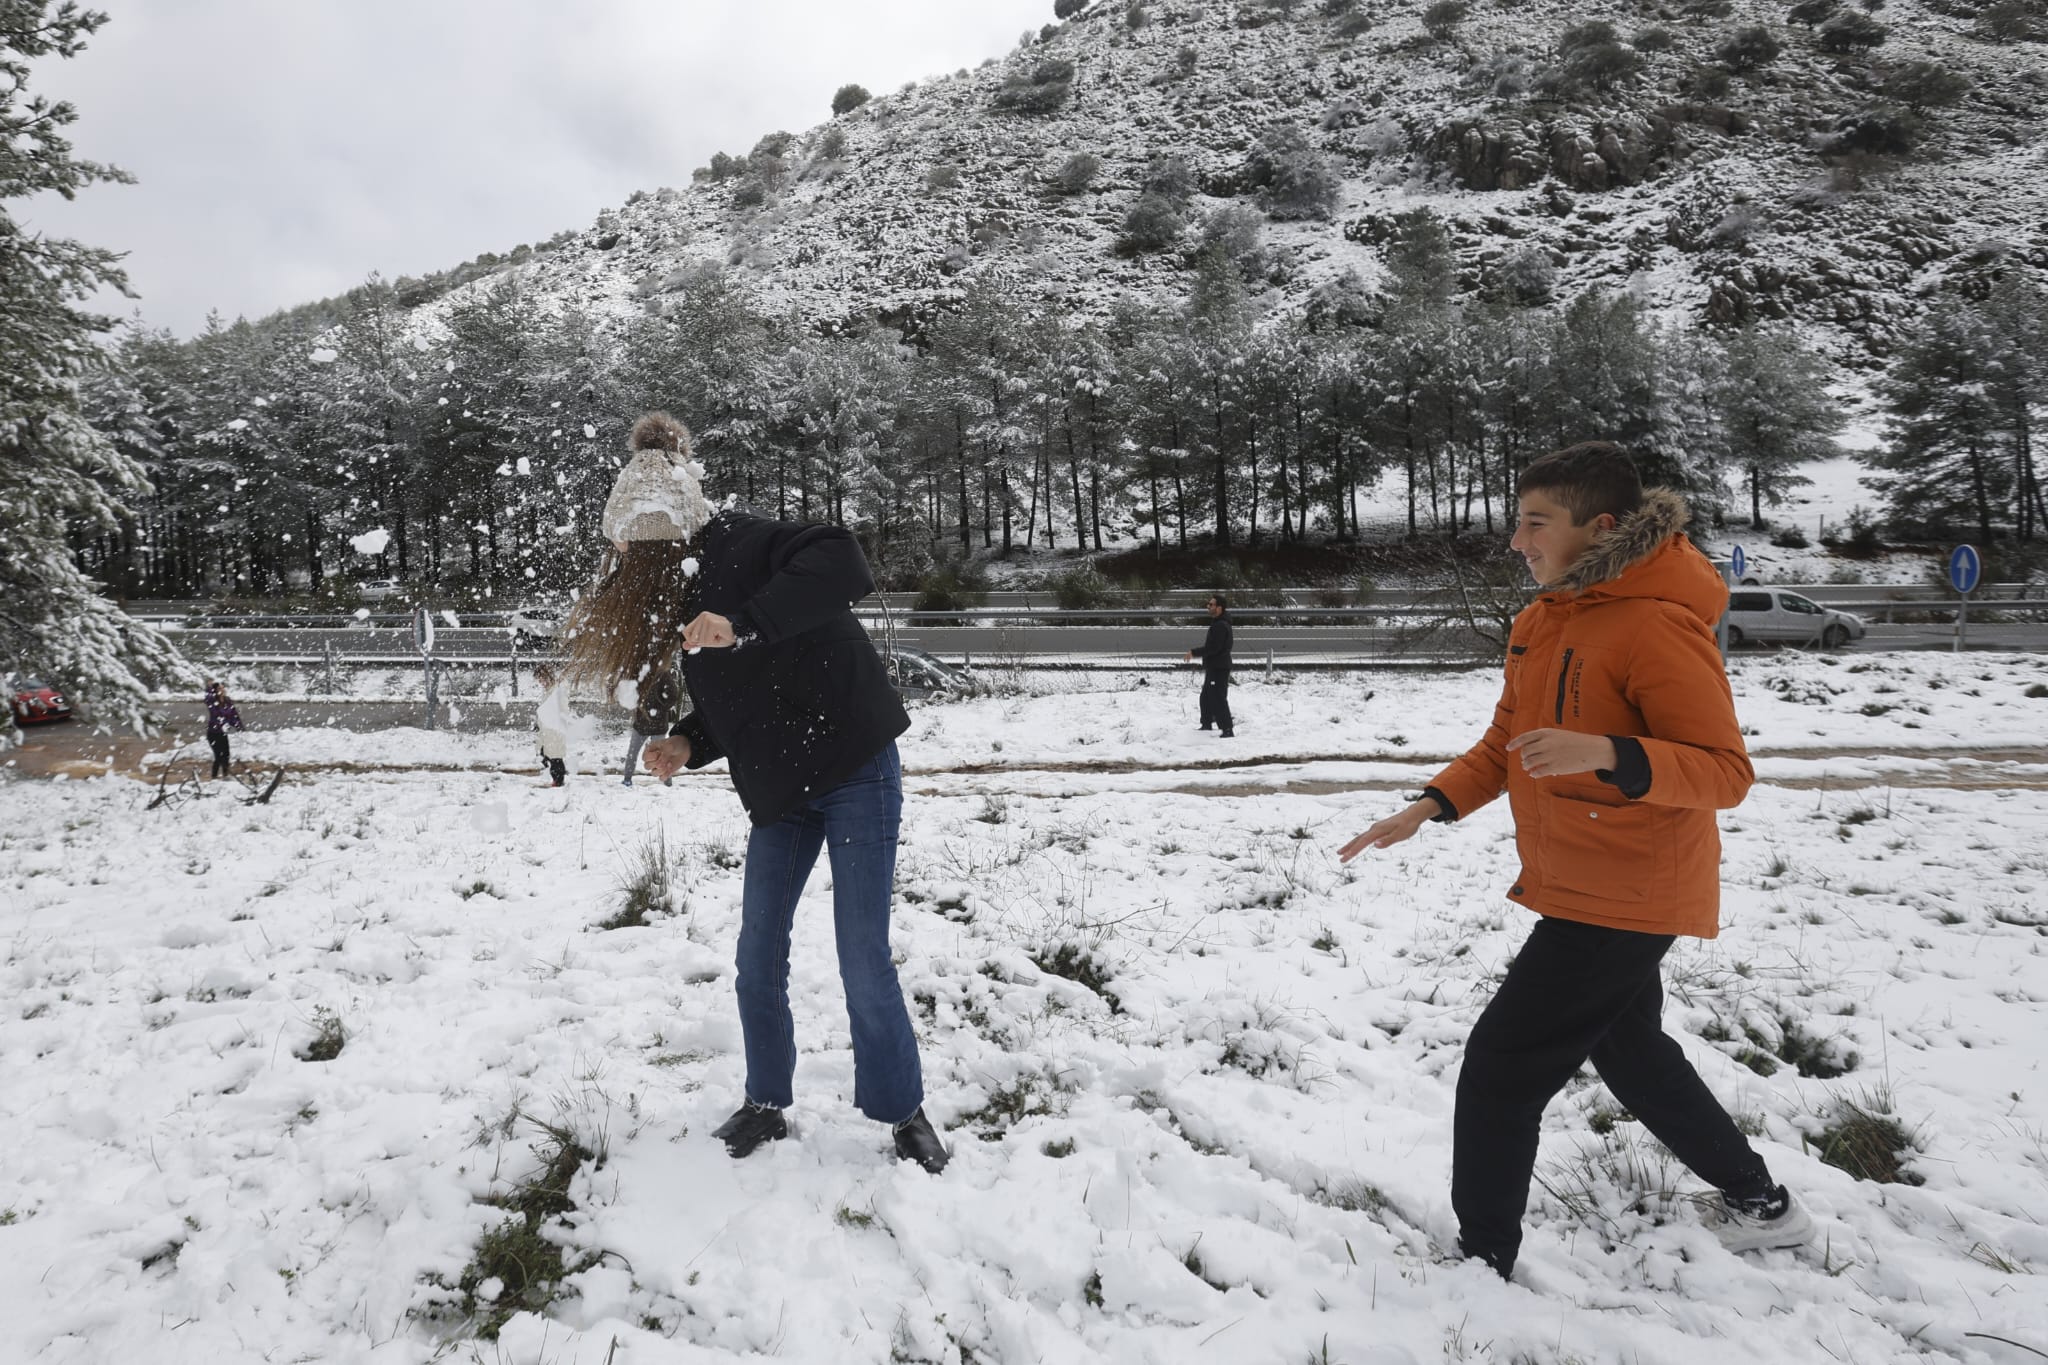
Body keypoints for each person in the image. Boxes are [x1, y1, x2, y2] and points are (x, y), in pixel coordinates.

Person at [1338, 442, 1810, 1281]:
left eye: (1535, 523)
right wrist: (1430, 803)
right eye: (1517, 521)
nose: (1518, 540)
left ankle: (1482, 1260)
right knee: (1631, 1052)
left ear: (1599, 527)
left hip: (1626, 892)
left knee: (1498, 1071)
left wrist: (1609, 752)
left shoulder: (1657, 622)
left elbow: (1725, 773)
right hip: (1583, 882)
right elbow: (1506, 745)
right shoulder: (1545, 619)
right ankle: (1760, 1202)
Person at [562, 411, 948, 1174]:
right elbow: (736, 696)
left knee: (861, 952)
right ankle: (766, 1100)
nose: (643, 552)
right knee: (756, 951)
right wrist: (689, 740)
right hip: (781, 788)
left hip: (854, 762)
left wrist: (745, 619)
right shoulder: (669, 588)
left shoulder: (743, 539)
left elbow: (842, 559)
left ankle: (904, 1111)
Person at [1183, 592, 1233, 737]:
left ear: (1219, 608)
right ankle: (1206, 723)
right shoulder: (1219, 623)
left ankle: (1227, 729)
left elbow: (1214, 648)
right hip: (1215, 666)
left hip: (1219, 667)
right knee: (1206, 697)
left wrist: (1194, 652)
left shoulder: (1221, 626)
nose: (1208, 606)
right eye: (1208, 604)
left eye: (1211, 604)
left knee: (1218, 698)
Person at [532, 664, 568, 787]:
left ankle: (558, 781)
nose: (541, 682)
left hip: (554, 730)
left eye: (542, 679)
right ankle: (557, 779)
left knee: (555, 757)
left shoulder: (556, 690)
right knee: (547, 756)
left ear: (548, 677)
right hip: (547, 730)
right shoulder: (549, 690)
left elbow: (563, 709)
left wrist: (557, 722)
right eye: (539, 680)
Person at [203, 681, 242, 779]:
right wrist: (210, 688)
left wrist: (238, 726)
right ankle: (214, 777)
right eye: (219, 688)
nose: (222, 690)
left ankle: (226, 775)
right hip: (213, 733)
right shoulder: (212, 701)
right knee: (218, 756)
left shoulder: (227, 701)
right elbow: (208, 697)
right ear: (215, 691)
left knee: (226, 755)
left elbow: (233, 715)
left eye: (223, 688)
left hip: (222, 733)